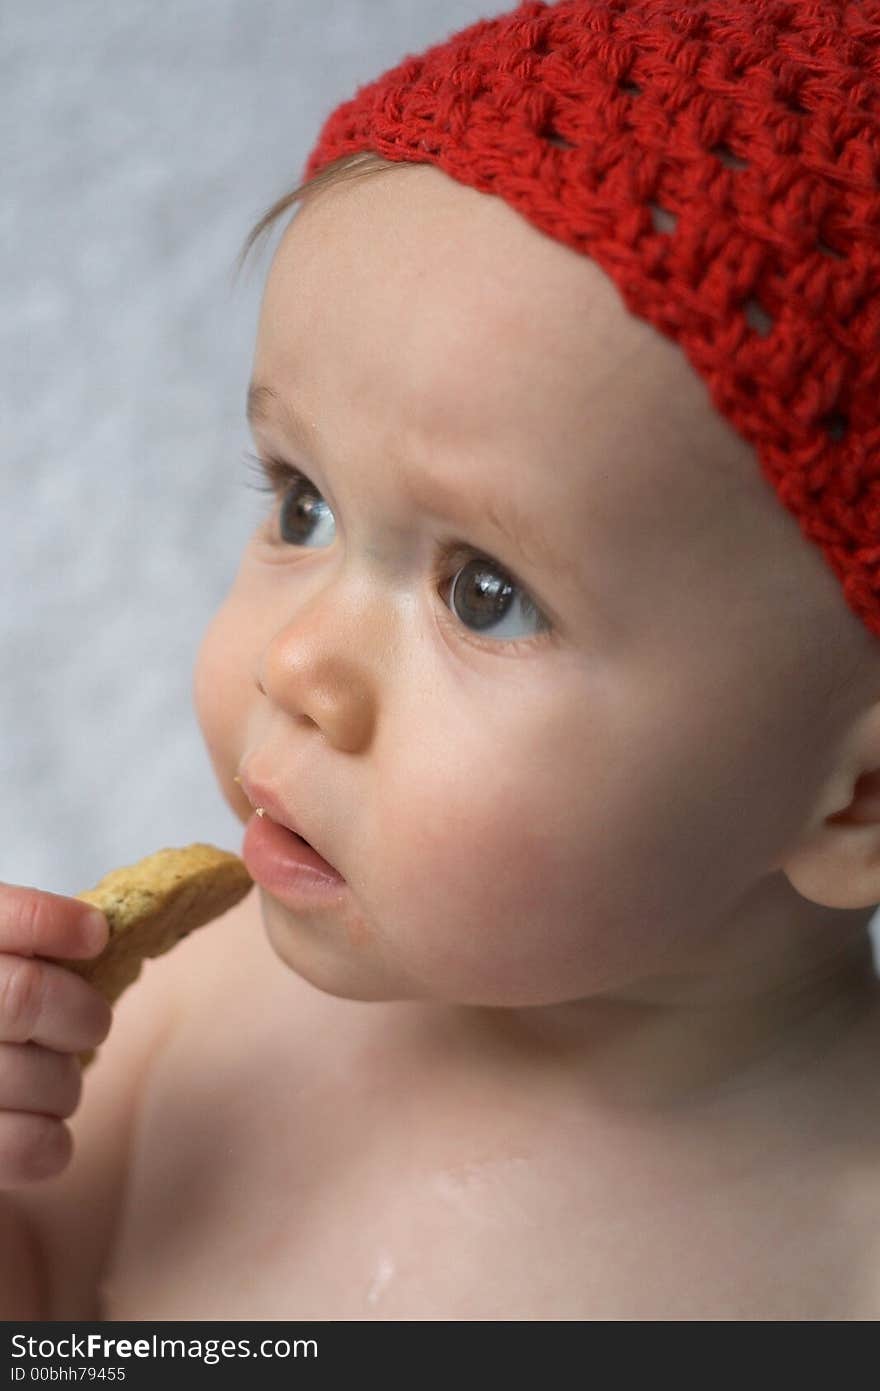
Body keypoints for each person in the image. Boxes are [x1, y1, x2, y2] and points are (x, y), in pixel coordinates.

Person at [3, 0, 880, 1319]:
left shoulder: (831, 1254)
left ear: (857, 798)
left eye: (486, 593)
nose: (297, 665)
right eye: (300, 504)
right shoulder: (190, 1025)